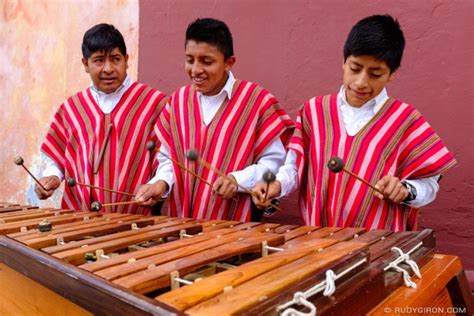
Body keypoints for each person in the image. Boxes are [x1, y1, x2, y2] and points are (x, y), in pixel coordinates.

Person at [252, 15, 456, 231]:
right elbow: (293, 168)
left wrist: (406, 190)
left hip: (379, 246)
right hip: (319, 241)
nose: (361, 82)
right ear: (343, 61)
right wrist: (276, 185)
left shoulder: (406, 121)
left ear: (392, 74)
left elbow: (430, 186)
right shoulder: (313, 111)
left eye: (375, 74)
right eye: (355, 68)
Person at [136, 18, 294, 221]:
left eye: (206, 62)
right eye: (190, 60)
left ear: (229, 62)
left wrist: (237, 180)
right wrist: (161, 183)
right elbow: (168, 160)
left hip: (236, 230)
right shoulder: (176, 102)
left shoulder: (257, 101)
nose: (195, 70)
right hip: (182, 226)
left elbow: (274, 163)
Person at [35, 23, 168, 214]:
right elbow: (56, 159)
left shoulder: (154, 104)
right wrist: (52, 177)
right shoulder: (72, 108)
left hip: (135, 221)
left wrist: (157, 185)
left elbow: (168, 161)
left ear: (126, 60)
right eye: (98, 60)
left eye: (115, 59)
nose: (108, 69)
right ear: (85, 64)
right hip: (77, 222)